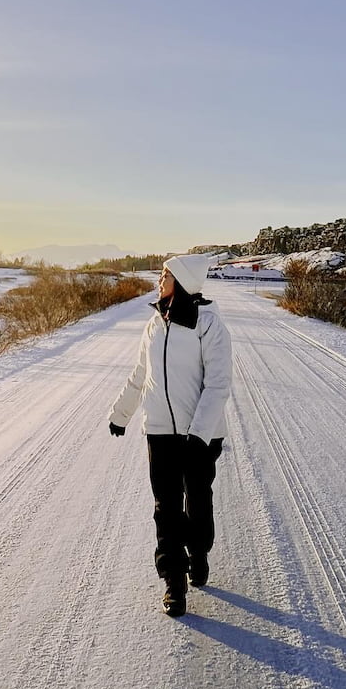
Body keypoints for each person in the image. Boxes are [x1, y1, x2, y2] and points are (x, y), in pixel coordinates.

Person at [108, 254, 233, 617]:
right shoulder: (154, 324)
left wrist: (199, 435)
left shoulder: (209, 325)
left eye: (164, 275)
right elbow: (140, 375)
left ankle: (199, 552)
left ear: (181, 279)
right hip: (159, 432)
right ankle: (174, 582)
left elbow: (218, 385)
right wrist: (121, 414)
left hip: (201, 435)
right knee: (166, 508)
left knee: (197, 500)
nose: (159, 280)